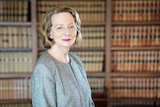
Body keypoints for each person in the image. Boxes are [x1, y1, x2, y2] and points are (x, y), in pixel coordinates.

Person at [30, 5, 95, 107]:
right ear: (49, 34)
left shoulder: (77, 62)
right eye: (60, 28)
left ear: (77, 30)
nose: (67, 32)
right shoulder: (44, 69)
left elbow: (89, 102)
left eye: (71, 26)